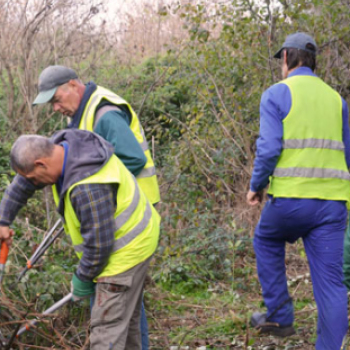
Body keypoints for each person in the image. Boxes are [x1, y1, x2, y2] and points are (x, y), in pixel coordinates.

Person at [32, 65, 159, 348]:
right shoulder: (76, 118)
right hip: (120, 217)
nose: (55, 108)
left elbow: (133, 159)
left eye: (56, 99)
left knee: (117, 302)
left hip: (132, 218)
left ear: (73, 85)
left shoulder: (104, 114)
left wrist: (95, 192)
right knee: (124, 304)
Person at [3, 129, 160, 349]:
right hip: (138, 237)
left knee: (107, 330)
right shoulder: (65, 145)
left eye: (33, 177)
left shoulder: (87, 187)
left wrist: (83, 278)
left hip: (126, 250)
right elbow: (24, 182)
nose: (33, 183)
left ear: (41, 164)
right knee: (126, 321)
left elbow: (99, 246)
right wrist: (3, 220)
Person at [246, 32, 350, 350]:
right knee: (332, 286)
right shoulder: (337, 100)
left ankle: (279, 314)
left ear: (289, 59)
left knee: (265, 238)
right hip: (333, 204)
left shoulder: (277, 94)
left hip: (291, 199)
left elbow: (269, 148)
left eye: (282, 60)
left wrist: (256, 187)